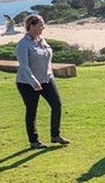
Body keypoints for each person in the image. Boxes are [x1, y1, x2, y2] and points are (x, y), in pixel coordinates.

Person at [15, 14, 69, 149]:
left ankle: (55, 135)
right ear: (31, 26)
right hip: (27, 83)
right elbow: (24, 65)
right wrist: (33, 81)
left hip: (46, 79)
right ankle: (34, 141)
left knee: (57, 105)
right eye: (40, 25)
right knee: (32, 110)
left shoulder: (42, 40)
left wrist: (50, 75)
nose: (43, 28)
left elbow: (47, 60)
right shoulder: (23, 44)